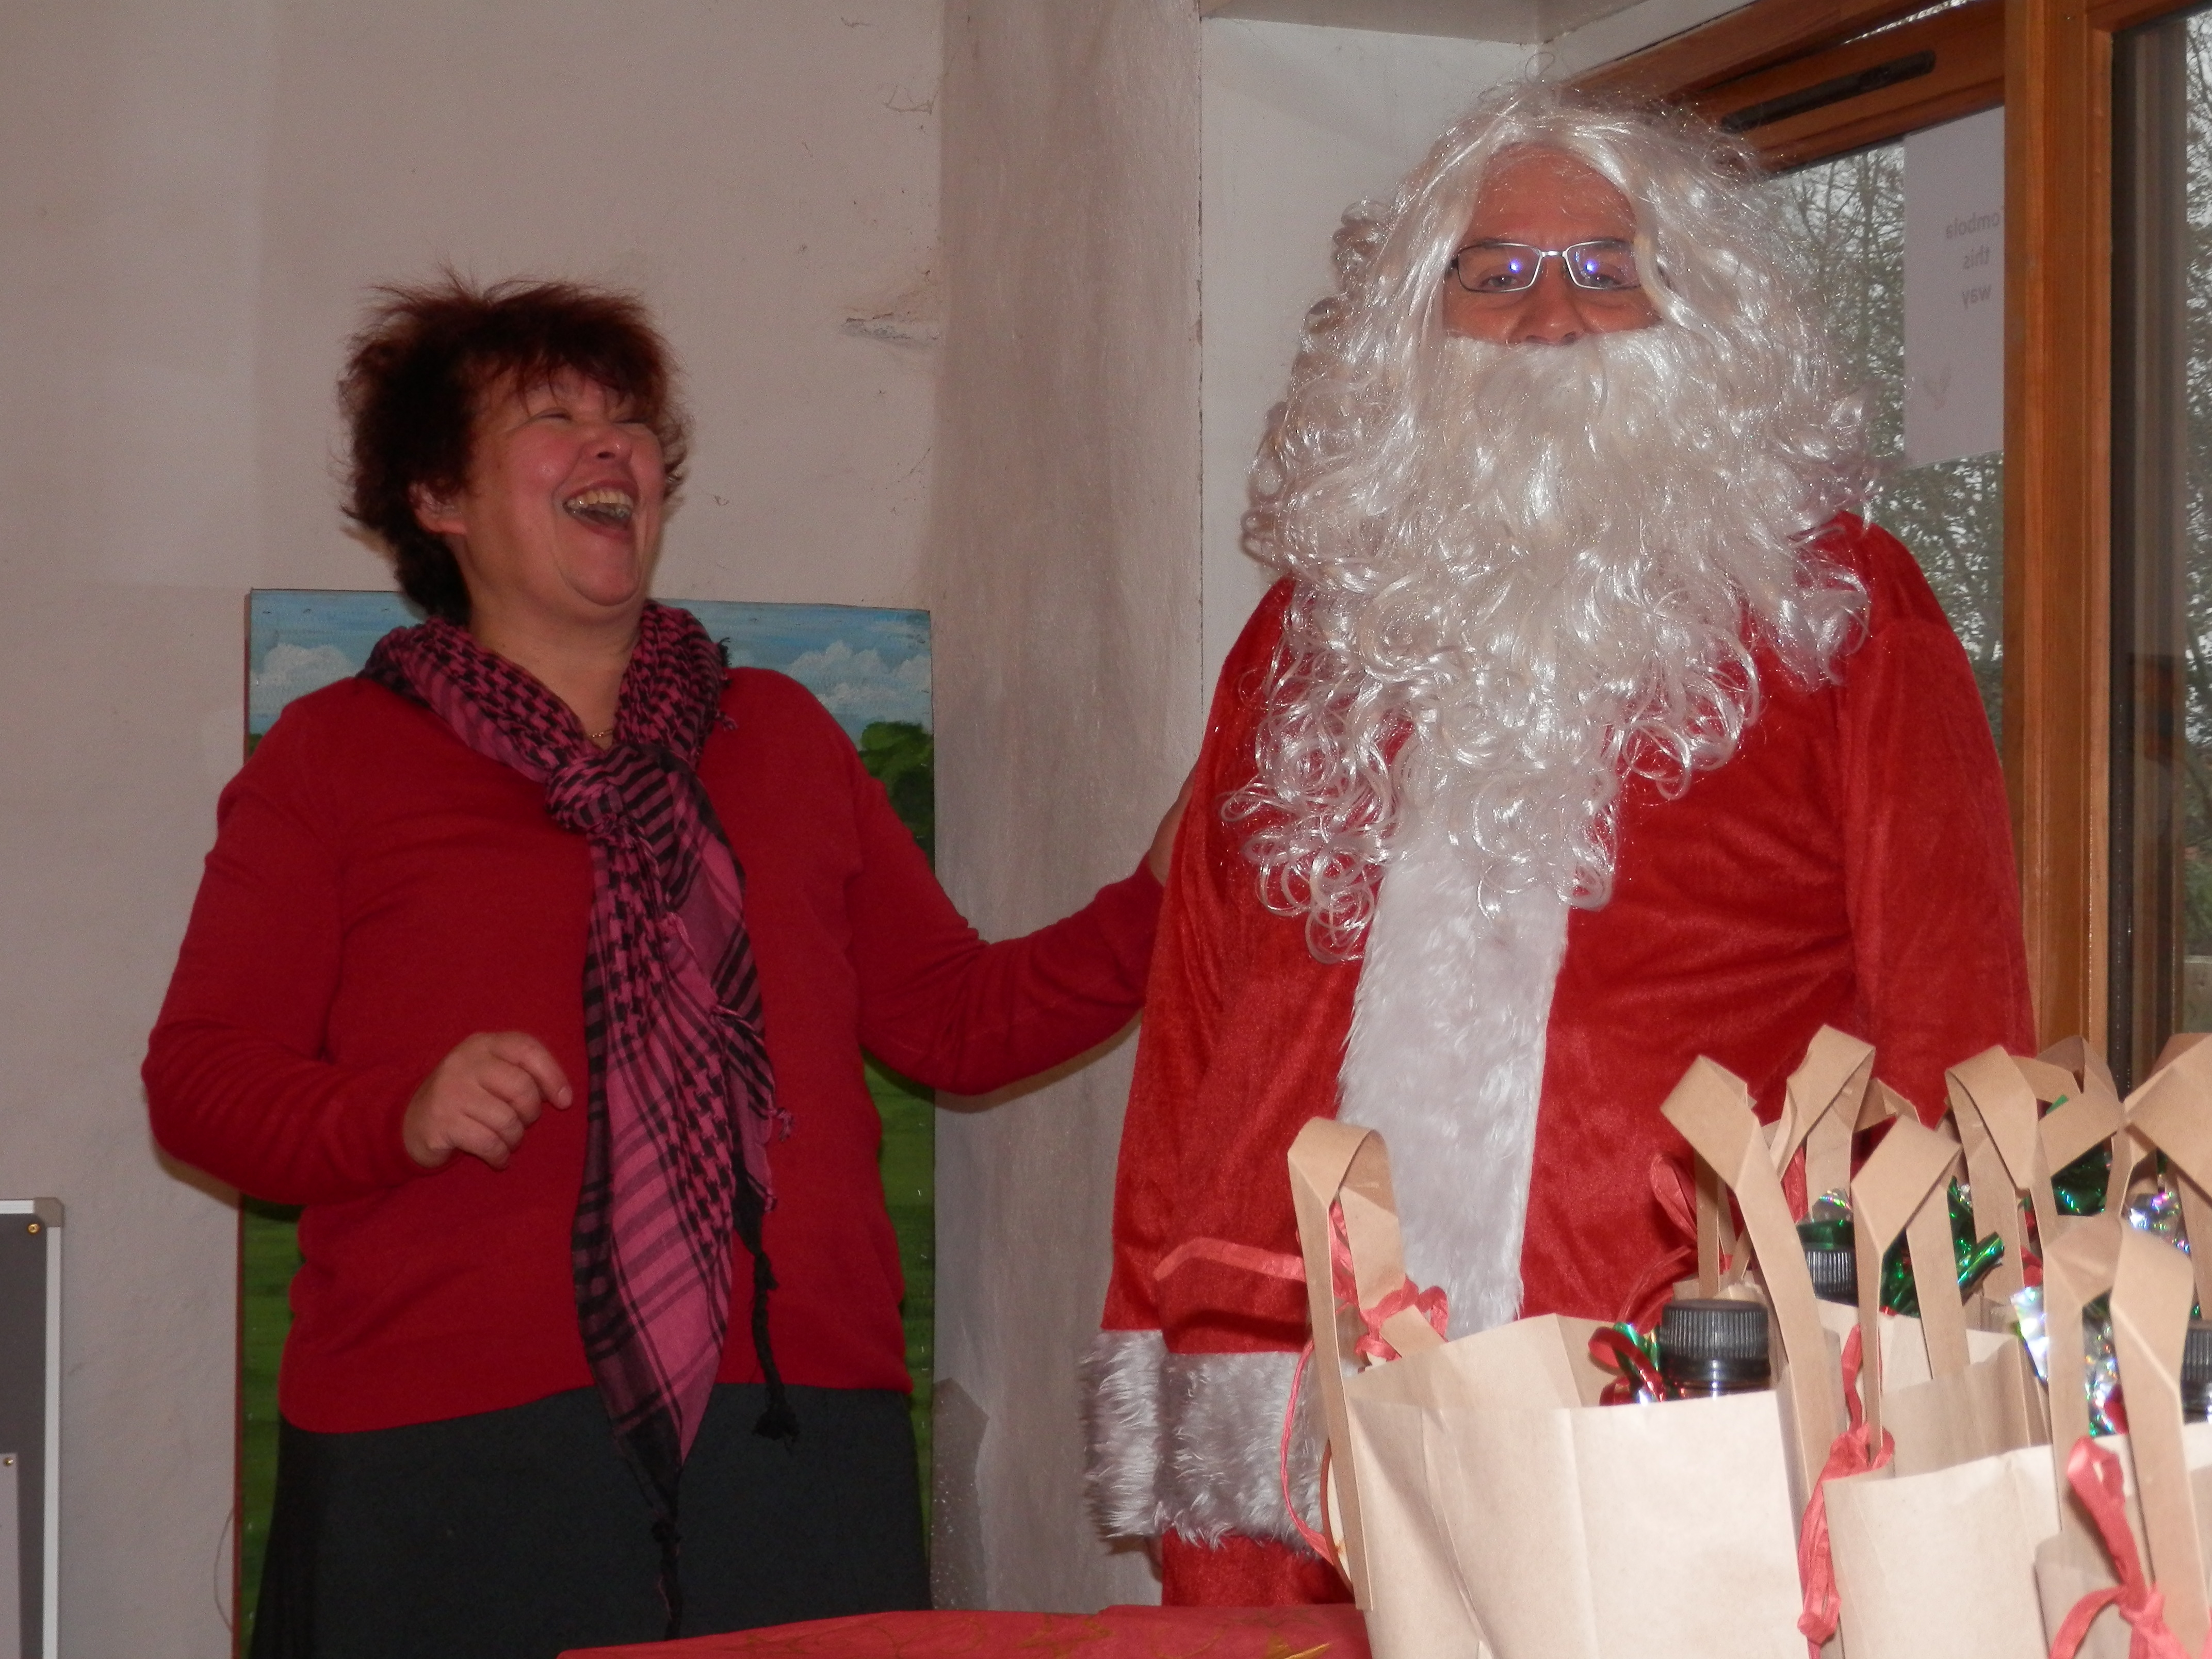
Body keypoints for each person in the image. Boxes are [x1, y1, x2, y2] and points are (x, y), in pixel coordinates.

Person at [1083, 83, 2035, 1604]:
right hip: (1297, 1390)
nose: (1550, 318)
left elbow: (1955, 1021)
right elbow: (1195, 1031)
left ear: (1700, 313)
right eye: (1495, 273)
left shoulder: (1846, 612)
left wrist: (1938, 1378)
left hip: (1678, 1391)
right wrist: (1158, 1332)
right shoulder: (1302, 639)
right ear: (1416, 324)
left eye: (1606, 268)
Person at [145, 277, 1181, 1658]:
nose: (611, 445)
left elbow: (952, 1020)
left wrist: (1171, 896)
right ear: (438, 498)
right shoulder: (335, 759)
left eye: (630, 421)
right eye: (552, 417)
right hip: (447, 1447)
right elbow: (199, 1086)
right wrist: (397, 1113)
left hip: (791, 1433)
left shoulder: (785, 736)